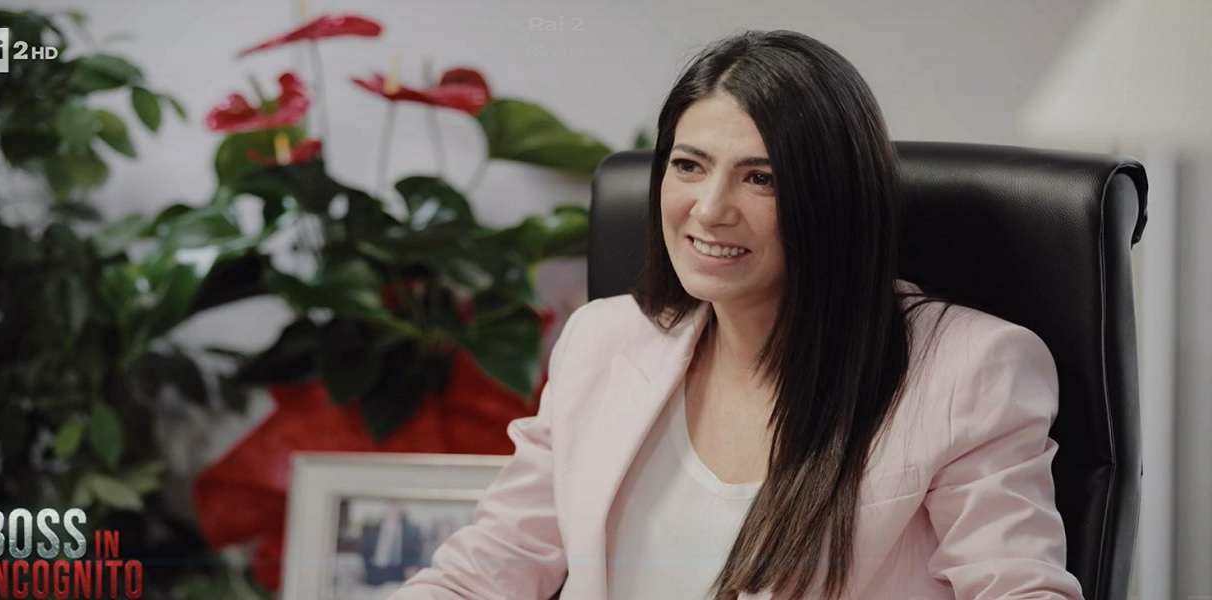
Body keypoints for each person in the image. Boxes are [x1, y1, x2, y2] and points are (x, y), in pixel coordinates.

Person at [388, 29, 1084, 600]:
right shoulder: (602, 340)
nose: (711, 207)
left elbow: (1021, 590)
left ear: (833, 200)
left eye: (761, 178)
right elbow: (490, 567)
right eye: (689, 166)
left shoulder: (968, 369)